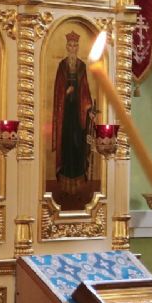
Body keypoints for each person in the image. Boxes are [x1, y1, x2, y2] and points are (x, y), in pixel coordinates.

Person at [51, 30, 95, 197]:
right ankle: (65, 185)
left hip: (78, 115)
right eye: (70, 45)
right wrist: (65, 93)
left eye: (75, 45)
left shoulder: (82, 66)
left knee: (78, 145)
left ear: (77, 48)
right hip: (65, 115)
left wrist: (89, 109)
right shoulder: (62, 66)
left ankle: (78, 184)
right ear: (66, 47)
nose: (72, 48)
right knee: (67, 145)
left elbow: (85, 90)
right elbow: (57, 92)